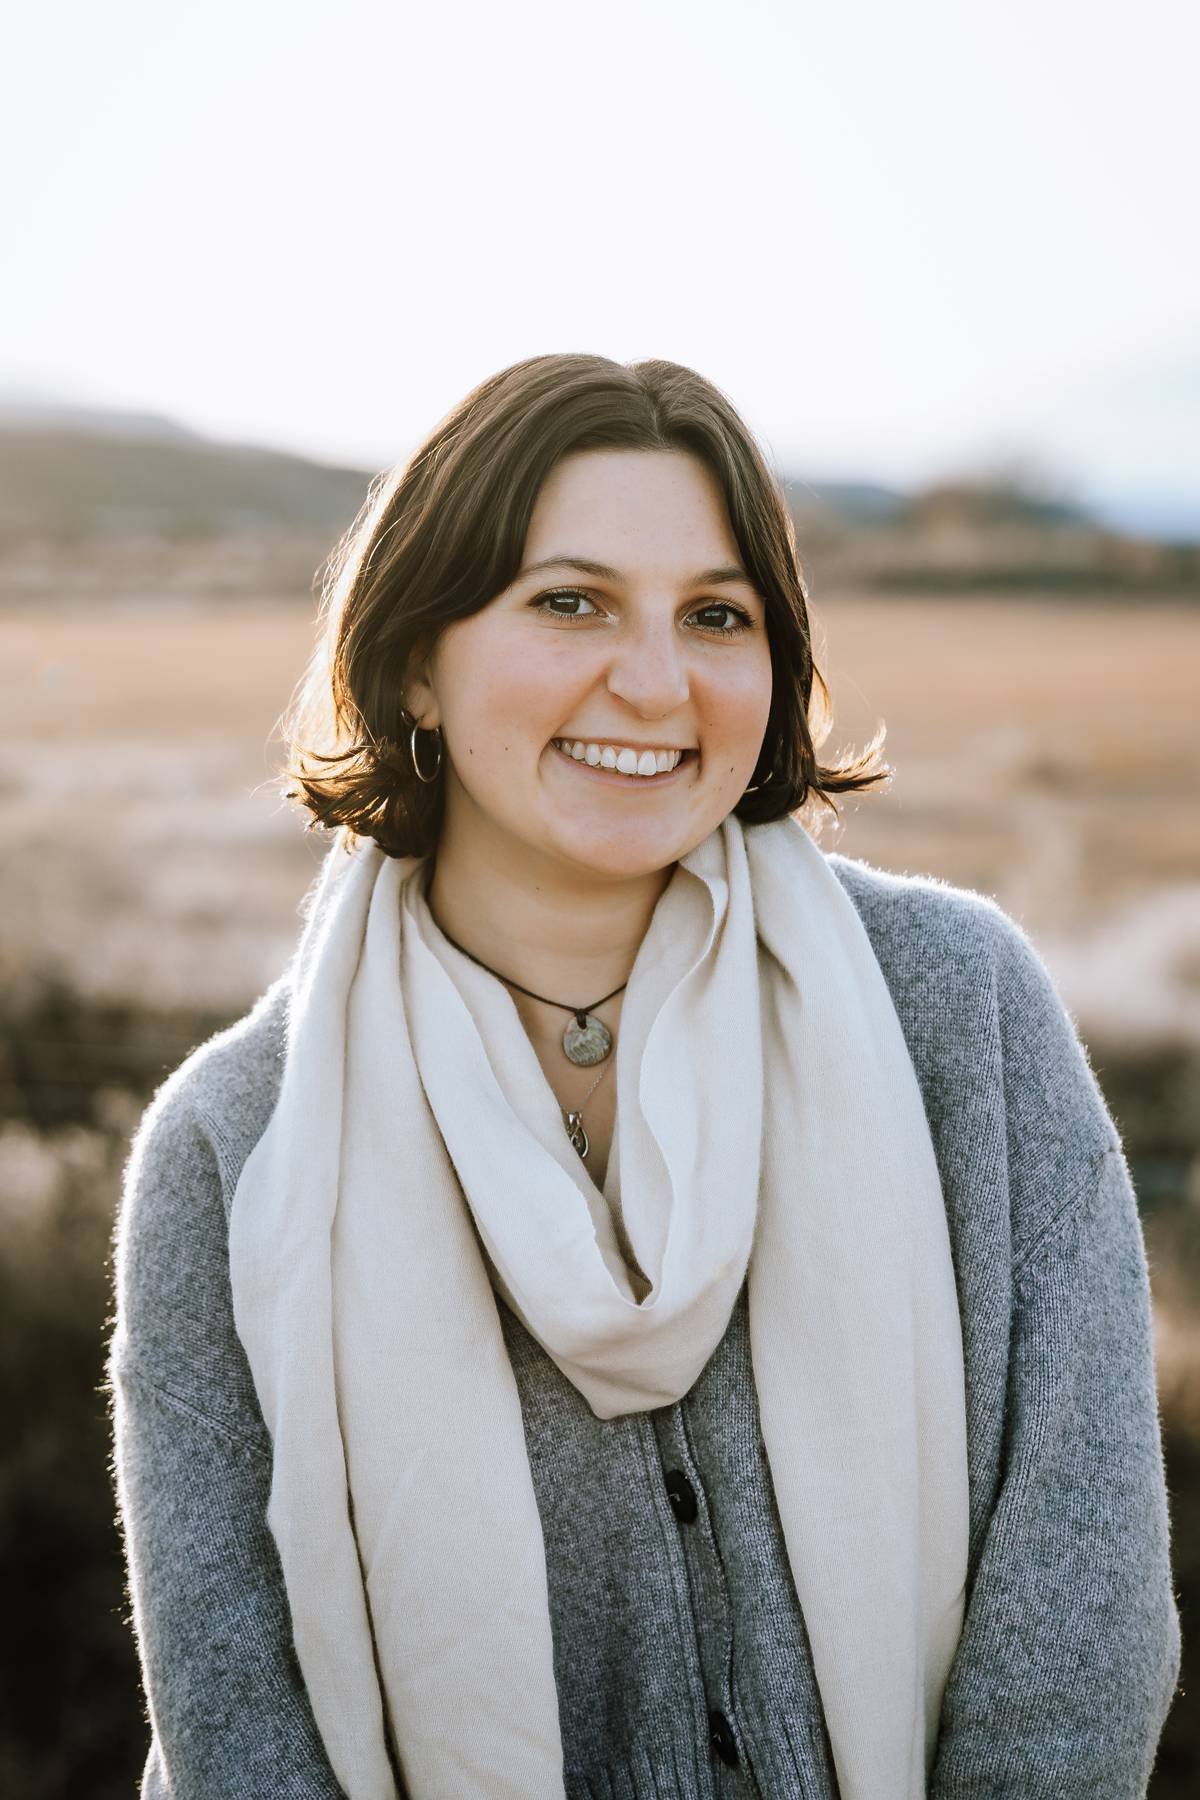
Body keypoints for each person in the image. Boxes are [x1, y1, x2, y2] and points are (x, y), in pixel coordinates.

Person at [105, 353, 1181, 1800]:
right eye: (571, 601)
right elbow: (242, 1730)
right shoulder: (236, 1150)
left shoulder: (959, 1015)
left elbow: (1081, 1618)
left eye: (717, 616)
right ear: (416, 658)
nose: (658, 681)